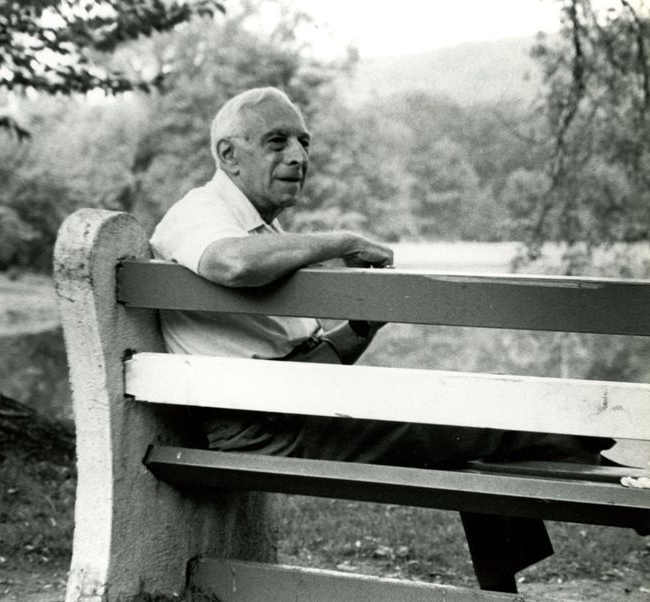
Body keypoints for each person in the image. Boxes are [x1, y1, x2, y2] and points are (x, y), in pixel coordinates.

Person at [149, 87, 614, 593]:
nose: (299, 156)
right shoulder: (200, 213)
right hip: (265, 427)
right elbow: (230, 264)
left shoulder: (262, 229)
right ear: (229, 155)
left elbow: (311, 360)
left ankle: (520, 563)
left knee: (467, 422)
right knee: (475, 418)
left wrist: (366, 325)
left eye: (304, 142)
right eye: (277, 142)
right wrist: (343, 241)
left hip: (293, 406)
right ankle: (616, 468)